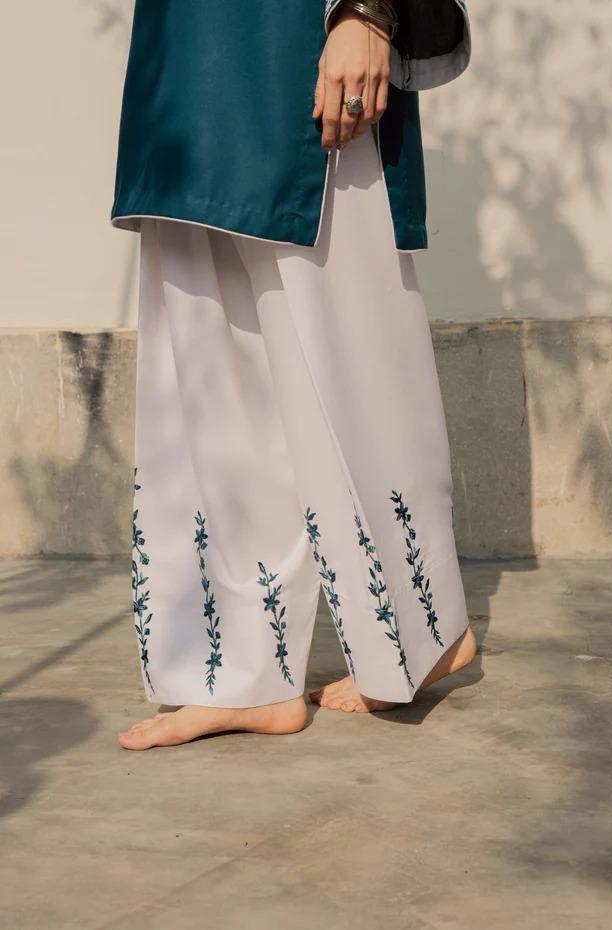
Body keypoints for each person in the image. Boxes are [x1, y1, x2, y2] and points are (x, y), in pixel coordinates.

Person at [111, 0, 476, 751]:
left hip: (300, 24)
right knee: (210, 352)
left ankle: (423, 625)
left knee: (344, 327)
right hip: (185, 36)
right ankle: (246, 673)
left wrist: (371, 12)